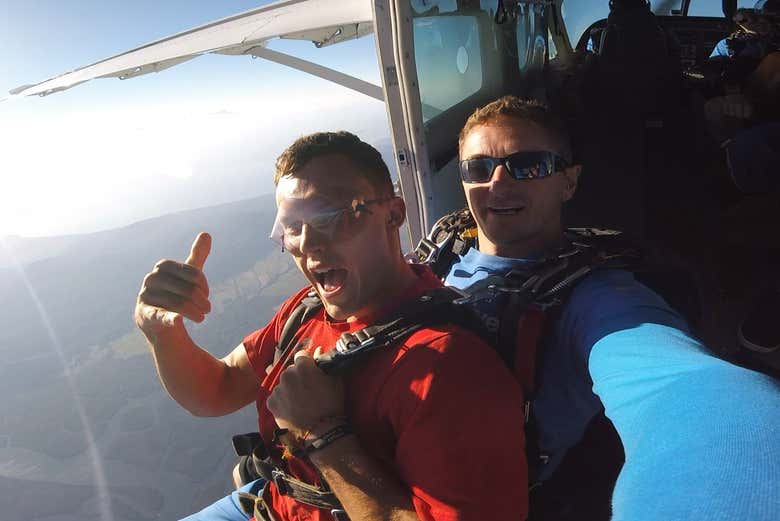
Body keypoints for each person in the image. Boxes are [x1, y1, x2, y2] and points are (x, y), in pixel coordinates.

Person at [134, 131, 529, 521]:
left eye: (333, 216)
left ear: (393, 214)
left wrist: (323, 434)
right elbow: (217, 388)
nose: (308, 243)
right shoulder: (308, 311)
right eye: (291, 225)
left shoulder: (449, 367)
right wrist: (162, 333)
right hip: (269, 503)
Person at [436, 96, 780, 521]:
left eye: (530, 165)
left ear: (569, 181)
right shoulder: (442, 250)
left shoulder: (597, 296)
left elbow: (690, 390)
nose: (499, 183)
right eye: (479, 168)